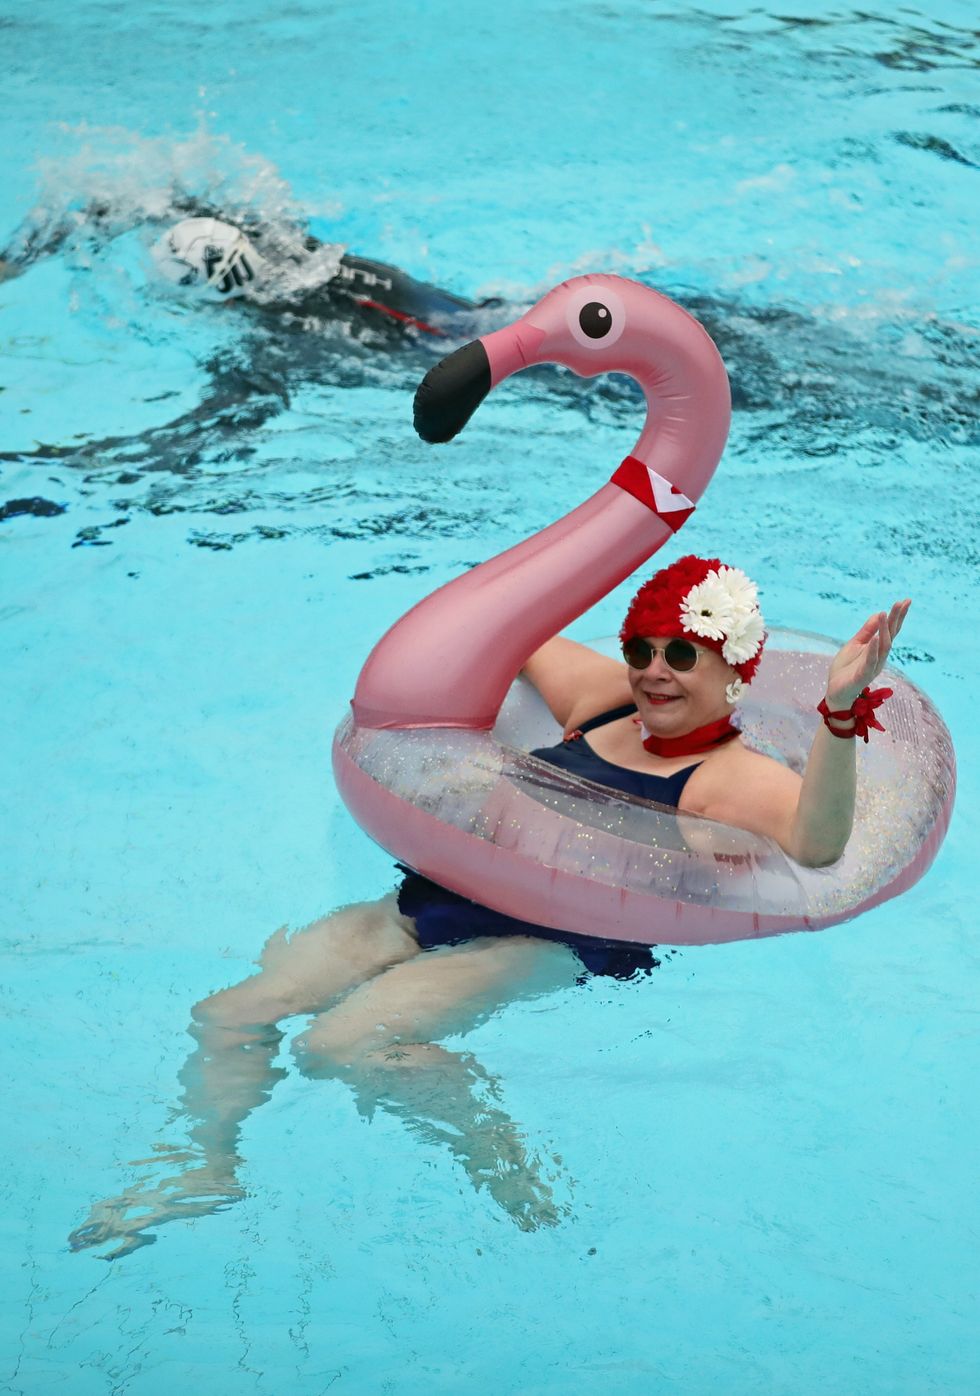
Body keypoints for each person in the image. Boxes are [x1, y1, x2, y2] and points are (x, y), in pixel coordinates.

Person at [68, 555, 909, 1256]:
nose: (655, 670)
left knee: (339, 1047)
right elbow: (502, 623)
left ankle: (491, 1140)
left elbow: (819, 845)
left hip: (546, 936)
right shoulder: (605, 700)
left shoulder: (728, 775)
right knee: (227, 1013)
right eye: (642, 648)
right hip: (443, 893)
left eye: (684, 655)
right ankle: (206, 1167)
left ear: (734, 669)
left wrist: (837, 715)